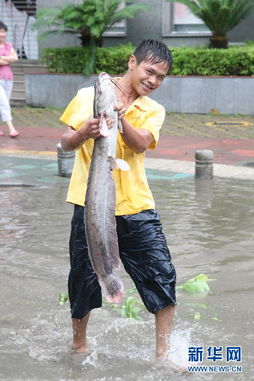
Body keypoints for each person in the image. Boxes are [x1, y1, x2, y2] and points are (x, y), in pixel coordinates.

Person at [60, 39, 177, 364]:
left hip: (137, 206)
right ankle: (79, 345)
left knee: (162, 274)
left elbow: (140, 144)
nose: (152, 81)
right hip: (90, 206)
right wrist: (85, 130)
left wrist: (122, 119)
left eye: (160, 78)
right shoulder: (88, 96)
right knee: (83, 277)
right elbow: (65, 142)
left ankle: (163, 353)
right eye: (149, 71)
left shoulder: (154, 109)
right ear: (132, 62)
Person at [0, 21, 19, 138]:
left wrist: (2, 57)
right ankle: (11, 128)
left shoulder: (8, 45)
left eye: (3, 31)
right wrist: (8, 59)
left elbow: (15, 58)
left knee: (2, 103)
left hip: (8, 78)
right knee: (4, 103)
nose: (2, 34)